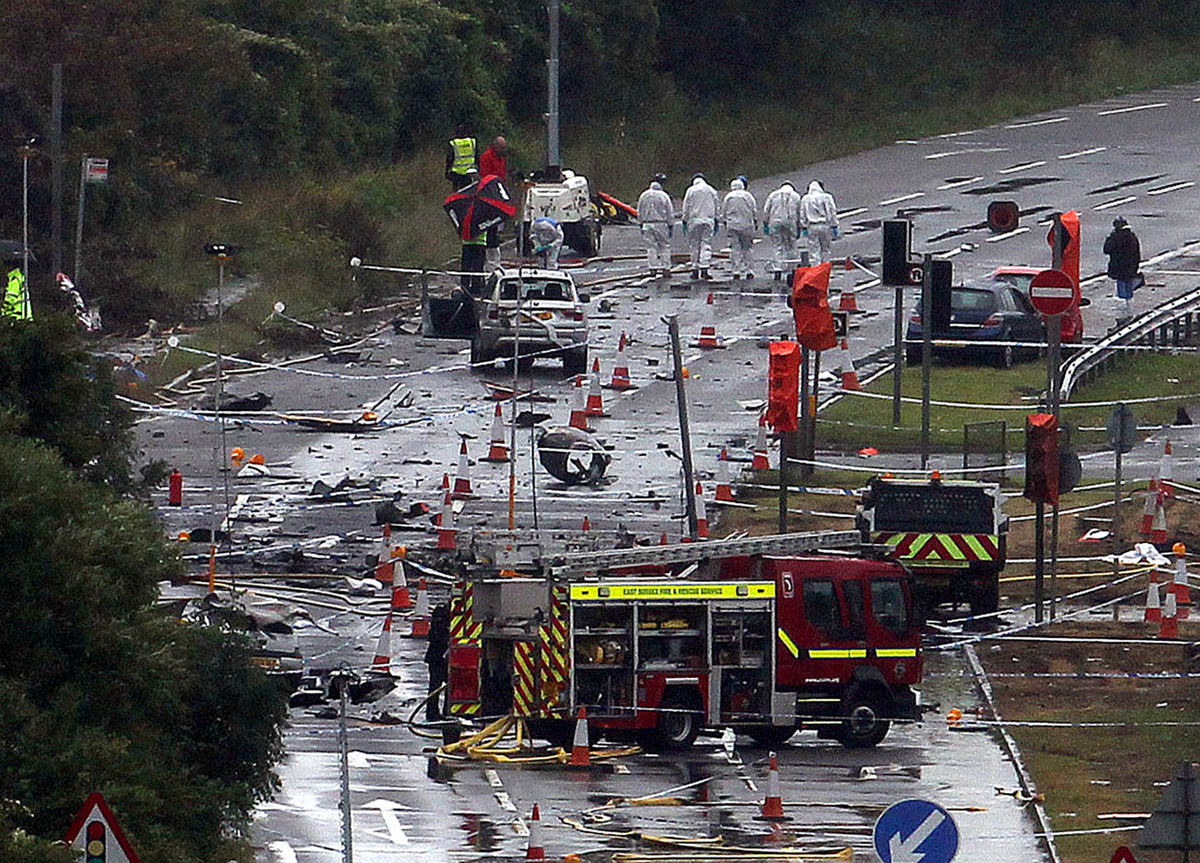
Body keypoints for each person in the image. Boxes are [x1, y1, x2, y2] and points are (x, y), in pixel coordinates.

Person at [681, 173, 718, 280]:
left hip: (694, 220)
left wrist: (684, 219)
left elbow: (686, 206)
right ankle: (705, 268)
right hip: (708, 220)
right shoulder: (711, 190)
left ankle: (695, 269)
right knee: (706, 244)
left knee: (694, 244)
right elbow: (716, 205)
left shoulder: (691, 190)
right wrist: (716, 219)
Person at [763, 181, 802, 280]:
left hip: (775, 222)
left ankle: (778, 270)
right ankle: (793, 269)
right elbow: (799, 212)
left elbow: (766, 210)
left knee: (778, 246)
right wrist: (800, 226)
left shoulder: (773, 195)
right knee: (791, 245)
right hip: (790, 221)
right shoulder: (796, 196)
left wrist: (765, 223)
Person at [479, 137, 508, 270]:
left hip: (499, 194)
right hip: (490, 196)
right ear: (495, 146)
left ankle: (494, 260)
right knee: (491, 229)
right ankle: (490, 262)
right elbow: (486, 178)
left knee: (496, 228)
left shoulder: (501, 158)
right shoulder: (486, 157)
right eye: (501, 147)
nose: (504, 150)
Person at [637, 173, 674, 278]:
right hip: (661, 224)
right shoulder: (664, 196)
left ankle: (652, 268)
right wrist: (671, 225)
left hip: (647, 224)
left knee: (651, 247)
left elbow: (639, 211)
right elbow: (669, 212)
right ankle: (666, 268)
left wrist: (641, 223)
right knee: (664, 246)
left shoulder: (644, 195)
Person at [721, 178, 758, 280]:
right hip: (746, 225)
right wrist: (755, 221)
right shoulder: (748, 196)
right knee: (747, 248)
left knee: (735, 249)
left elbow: (724, 212)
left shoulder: (728, 197)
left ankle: (736, 271)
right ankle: (749, 270)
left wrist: (726, 222)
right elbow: (754, 210)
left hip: (732, 225)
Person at [1104, 216, 1141, 316]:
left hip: (1118, 267)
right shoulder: (1132, 237)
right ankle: (1129, 305)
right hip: (1130, 267)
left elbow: (1107, 249)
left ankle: (1124, 310)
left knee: (1121, 286)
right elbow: (1137, 253)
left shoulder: (1116, 237)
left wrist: (1109, 238)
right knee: (1128, 285)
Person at [800, 180, 839, 265]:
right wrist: (834, 225)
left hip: (812, 226)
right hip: (825, 225)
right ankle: (826, 269)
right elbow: (832, 211)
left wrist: (804, 226)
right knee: (825, 249)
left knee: (814, 250)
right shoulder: (827, 197)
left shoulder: (805, 199)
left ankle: (816, 270)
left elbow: (802, 214)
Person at [424, 603, 450, 721]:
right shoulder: (443, 617)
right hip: (439, 657)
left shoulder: (439, 614)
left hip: (436, 657)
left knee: (435, 686)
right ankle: (443, 712)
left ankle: (433, 712)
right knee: (442, 686)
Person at [445, 123, 478, 189]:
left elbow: (449, 159)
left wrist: (447, 171)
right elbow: (477, 157)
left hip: (457, 173)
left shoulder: (454, 143)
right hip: (470, 172)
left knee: (457, 194)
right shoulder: (472, 142)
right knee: (469, 191)